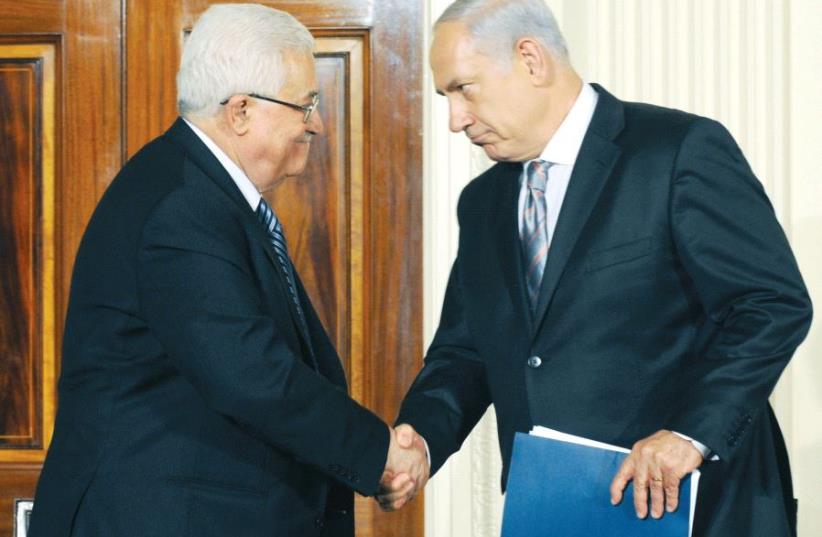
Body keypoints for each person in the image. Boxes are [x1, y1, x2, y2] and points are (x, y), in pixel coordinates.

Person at [379, 1, 812, 535]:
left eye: (463, 88)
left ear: (531, 59)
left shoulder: (677, 151)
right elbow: (465, 351)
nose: (454, 119)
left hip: (697, 509)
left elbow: (770, 304)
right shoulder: (482, 202)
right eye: (446, 96)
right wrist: (422, 437)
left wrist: (688, 435)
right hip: (554, 509)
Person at [28, 4, 426, 536]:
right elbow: (251, 375)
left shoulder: (198, 192)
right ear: (240, 111)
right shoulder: (182, 207)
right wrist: (379, 453)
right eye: (306, 105)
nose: (318, 124)